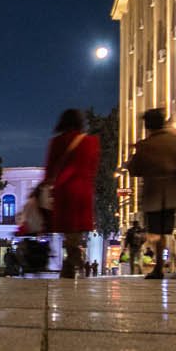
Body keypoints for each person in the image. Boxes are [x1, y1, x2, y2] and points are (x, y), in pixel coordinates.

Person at [124, 107, 176, 279]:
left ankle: (159, 267)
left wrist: (133, 156)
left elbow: (134, 169)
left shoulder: (146, 145)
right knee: (164, 232)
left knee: (154, 232)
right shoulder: (174, 140)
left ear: (148, 125)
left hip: (152, 194)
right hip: (171, 194)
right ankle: (160, 266)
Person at [43, 109, 101, 279]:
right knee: (76, 229)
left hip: (65, 190)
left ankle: (73, 259)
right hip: (84, 191)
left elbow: (50, 169)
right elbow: (93, 167)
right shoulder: (91, 142)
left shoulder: (57, 142)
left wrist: (47, 185)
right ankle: (70, 264)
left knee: (68, 229)